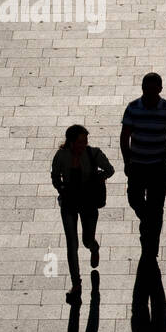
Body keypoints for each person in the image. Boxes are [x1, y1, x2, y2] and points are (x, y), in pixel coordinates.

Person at [51, 125, 115, 302]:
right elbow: (55, 176)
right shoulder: (61, 156)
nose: (83, 144)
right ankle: (76, 283)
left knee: (87, 240)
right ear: (71, 142)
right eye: (80, 141)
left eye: (85, 141)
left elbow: (110, 170)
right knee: (72, 244)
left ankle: (94, 247)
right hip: (69, 203)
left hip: (88, 203)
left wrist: (99, 177)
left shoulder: (93, 154)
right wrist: (61, 187)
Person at [120, 73, 166, 255]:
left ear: (160, 89)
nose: (150, 93)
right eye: (146, 89)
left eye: (153, 89)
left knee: (156, 206)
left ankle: (151, 243)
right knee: (134, 198)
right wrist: (126, 160)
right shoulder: (132, 108)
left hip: (158, 167)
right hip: (137, 164)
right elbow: (125, 136)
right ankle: (147, 222)